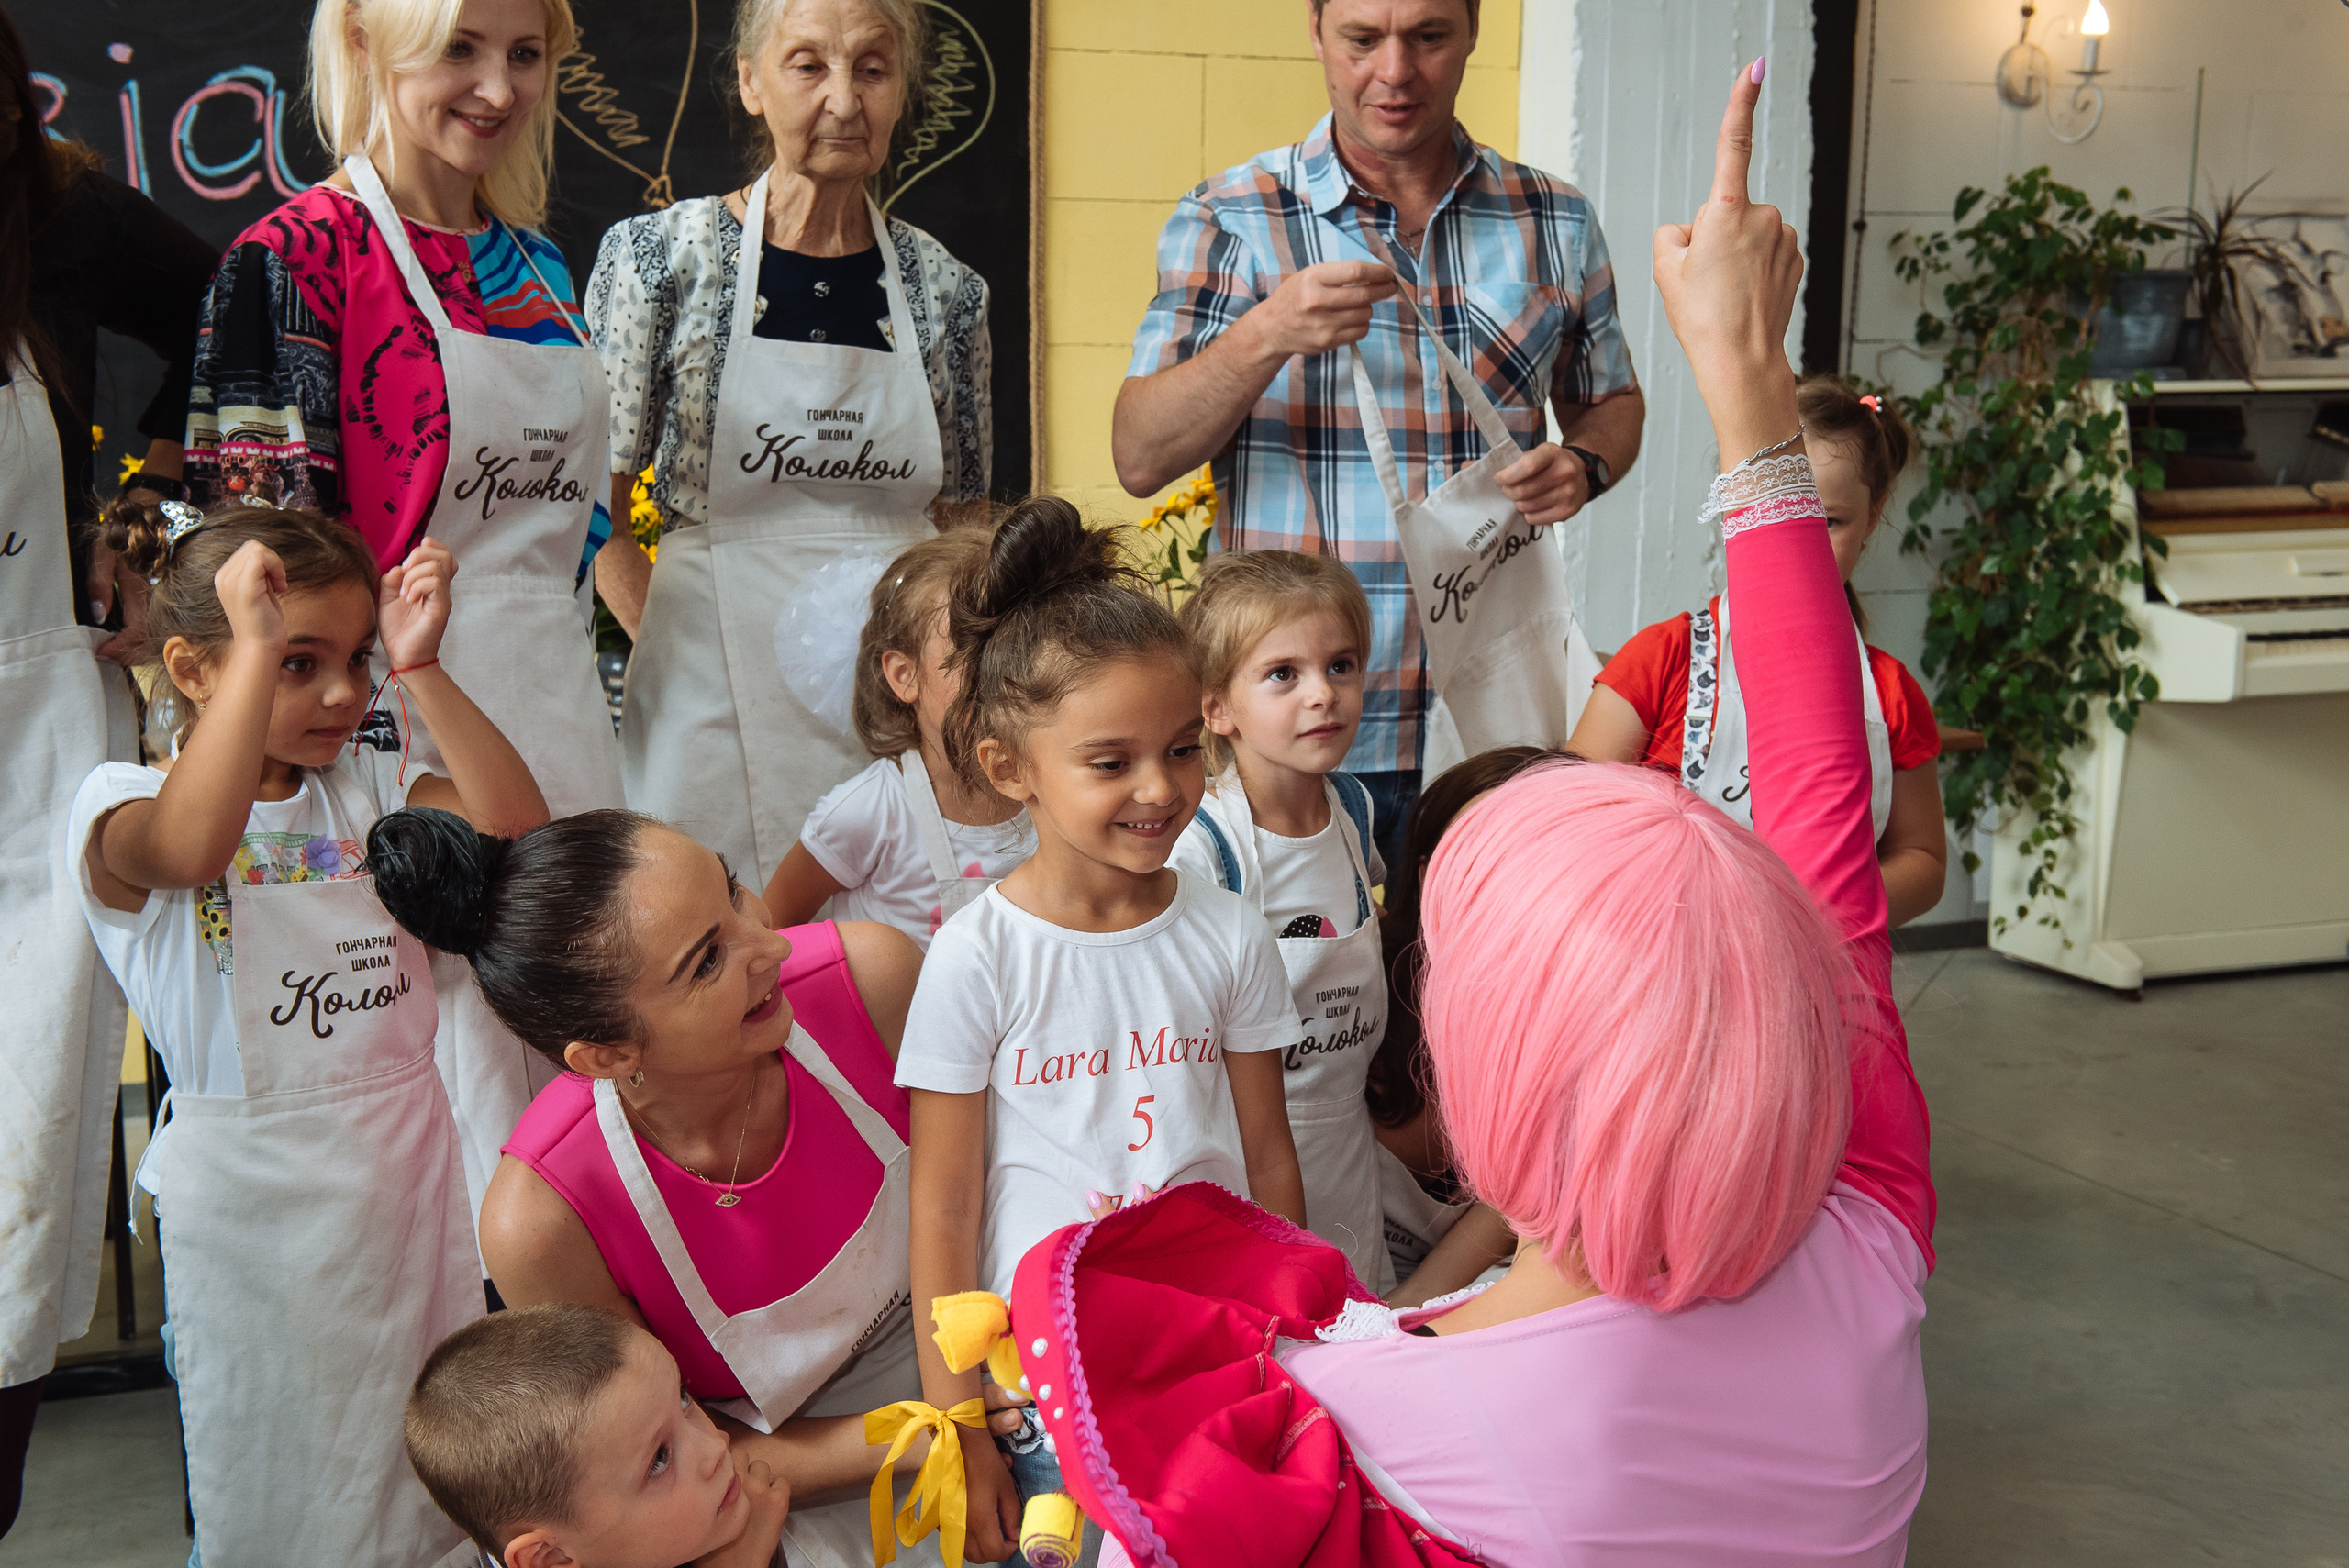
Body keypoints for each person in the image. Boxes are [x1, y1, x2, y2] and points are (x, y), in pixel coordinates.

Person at [1005, 61, 1936, 1566]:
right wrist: (1750, 377)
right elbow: (1825, 828)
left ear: (1473, 1082)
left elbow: (1137, 1441)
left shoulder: (1381, 1406)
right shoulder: (1871, 1247)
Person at [184, 0, 628, 1222]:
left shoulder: (539, 268)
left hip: (563, 734)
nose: (498, 87)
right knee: (456, 1163)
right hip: (398, 761)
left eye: (525, 54)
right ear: (371, 48)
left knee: (579, 1155)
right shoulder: (292, 259)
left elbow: (579, 534)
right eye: (461, 49)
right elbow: (256, 575)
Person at [68, 501, 549, 1567]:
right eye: (296, 662)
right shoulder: (122, 802)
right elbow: (196, 847)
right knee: (283, 1493)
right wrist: (248, 649)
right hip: (256, 1216)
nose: (341, 693)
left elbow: (519, 834)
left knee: (425, 1480)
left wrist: (419, 671)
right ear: (194, 667)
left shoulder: (368, 790)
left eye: (353, 659)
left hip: (406, 1190)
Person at [1114, 0, 1645, 871]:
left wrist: (1585, 463)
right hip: (1295, 735)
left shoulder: (1555, 218)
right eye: (1363, 39)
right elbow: (1139, 455)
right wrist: (1265, 332)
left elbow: (1612, 401)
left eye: (1429, 37)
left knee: (1478, 995)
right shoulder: (1232, 217)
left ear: (1474, 28)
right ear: (1317, 32)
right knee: (1297, 1001)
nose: (1395, 72)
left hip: (1488, 712)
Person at [368, 805, 950, 1568]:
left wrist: (979, 1407)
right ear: (606, 1055)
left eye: (732, 889)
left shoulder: (870, 979)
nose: (770, 944)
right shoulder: (544, 1216)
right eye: (707, 961)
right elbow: (660, 1470)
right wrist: (932, 1435)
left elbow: (981, 1209)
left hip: (972, 1356)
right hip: (756, 1483)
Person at [894, 498, 1306, 1561]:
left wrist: (1299, 1326)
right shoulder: (976, 956)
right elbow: (942, 1203)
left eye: (1180, 748)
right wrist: (954, 1421)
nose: (1160, 788)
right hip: (1039, 1375)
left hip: (1214, 1347)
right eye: (1110, 761)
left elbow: (1268, 1152)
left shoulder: (1228, 931)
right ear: (1008, 767)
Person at [587, 0, 993, 890]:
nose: (844, 100)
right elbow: (593, 513)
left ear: (901, 93)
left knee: (885, 954)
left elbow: (967, 523)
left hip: (897, 705)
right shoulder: (661, 261)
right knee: (705, 943)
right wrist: (678, 639)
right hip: (706, 694)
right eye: (808, 65)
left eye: (873, 69)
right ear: (749, 81)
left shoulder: (947, 293)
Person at [0, 7, 217, 1529]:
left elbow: (227, 300)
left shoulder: (56, 212)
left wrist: (133, 502)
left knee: (16, 1168)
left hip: (33, 750)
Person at [1568, 375, 1949, 924]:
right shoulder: (1661, 659)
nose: (1801, 542)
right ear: (1735, 509)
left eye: (1831, 520)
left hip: (1823, 976)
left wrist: (1819, 909)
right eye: (1784, 516)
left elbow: (1923, 860)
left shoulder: (1889, 694)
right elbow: (1571, 814)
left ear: (1873, 516)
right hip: (1667, 954)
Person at [1165, 550, 1392, 1291]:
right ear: (1216, 708)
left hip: (1349, 1156)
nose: (1322, 694)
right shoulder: (1205, 847)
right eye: (1283, 674)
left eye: (1342, 665)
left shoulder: (1354, 811)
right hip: (1249, 1165)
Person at [762, 521, 1036, 946]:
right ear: (905, 675)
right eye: (972, 648)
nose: (1001, 668)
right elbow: (770, 933)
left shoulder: (1051, 788)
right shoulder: (868, 812)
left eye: (1017, 644)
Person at [1363, 745, 1547, 1307]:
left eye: (1537, 856)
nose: (1507, 885)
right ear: (1428, 875)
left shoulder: (1580, 1021)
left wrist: (1403, 1315)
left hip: (1470, 1302)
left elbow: (1522, 1202)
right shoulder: (1360, 985)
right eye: (1482, 855)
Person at [406, 1305, 792, 1568]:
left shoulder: (718, 1525)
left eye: (683, 1396)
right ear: (550, 1558)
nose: (717, 1446)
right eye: (659, 1458)